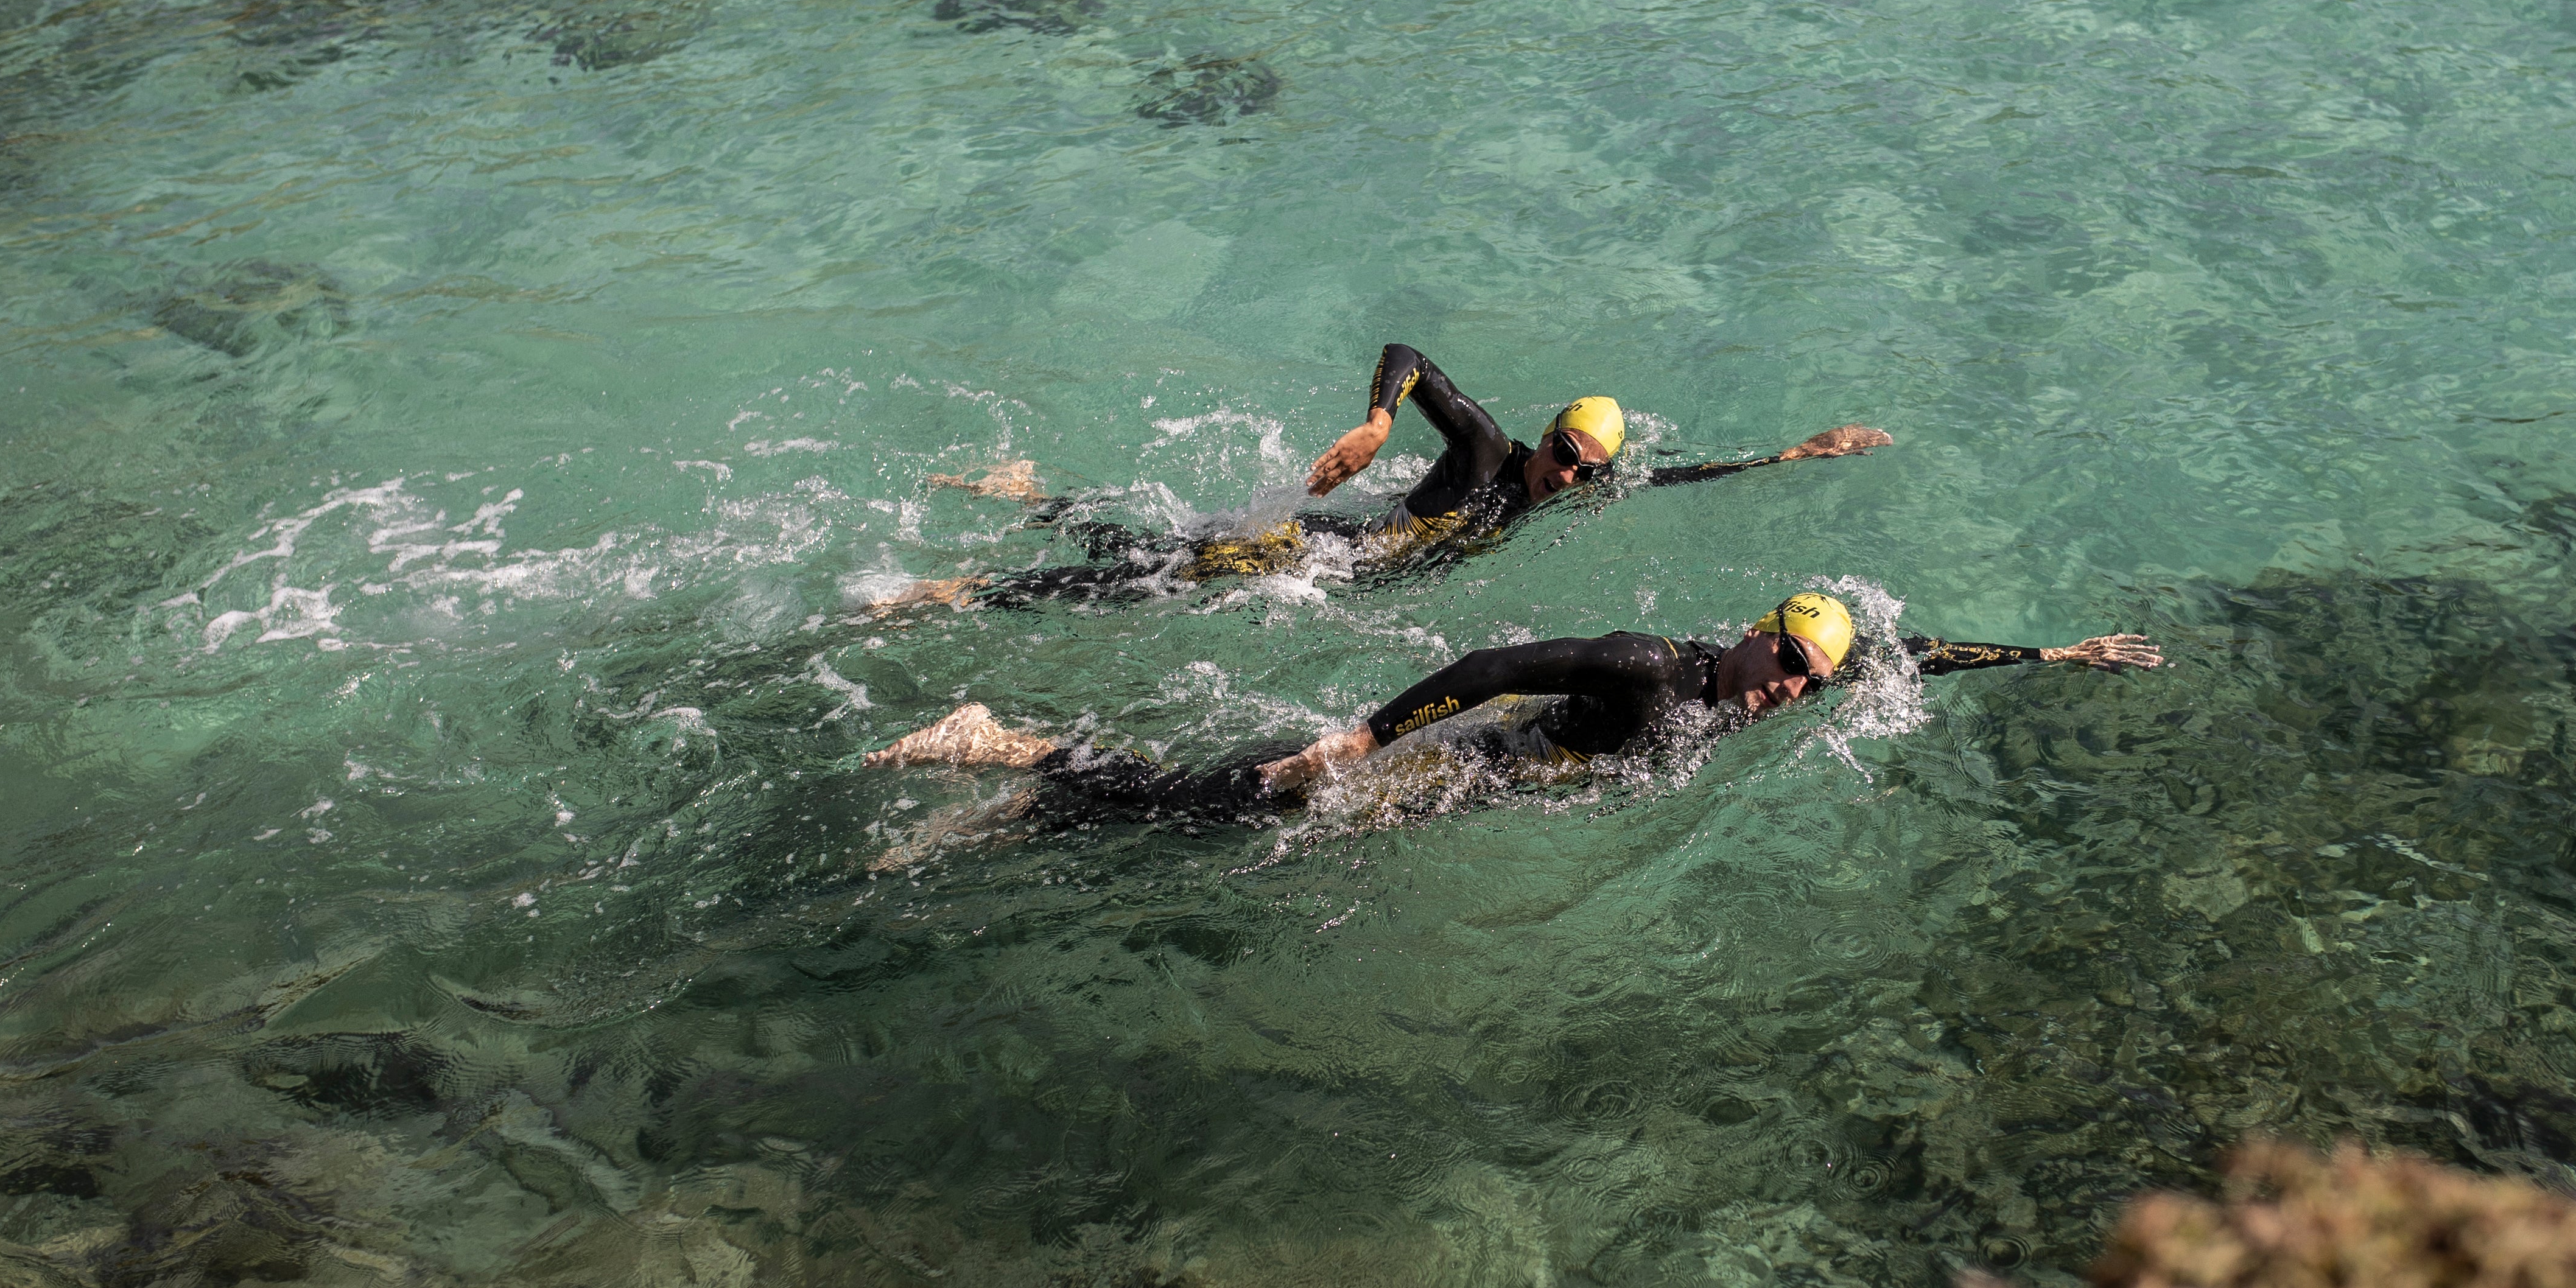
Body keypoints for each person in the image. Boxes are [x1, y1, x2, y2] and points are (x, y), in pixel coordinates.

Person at [858, 590, 2164, 839]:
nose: (1789, 694)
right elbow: (1489, 664)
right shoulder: (1656, 667)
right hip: (1449, 764)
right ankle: (1014, 751)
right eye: (1784, 668)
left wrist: (2053, 650)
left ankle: (1037, 795)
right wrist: (1369, 741)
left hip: (1481, 794)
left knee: (1231, 834)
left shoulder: (1763, 696)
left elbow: (1912, 655)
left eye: (1807, 687)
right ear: (1758, 633)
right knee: (1234, 811)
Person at [866, 343, 1892, 612]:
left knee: (1154, 564)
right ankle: (977, 582)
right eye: (1566, 457)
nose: (1571, 480)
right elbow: (1410, 349)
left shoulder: (1588, 482)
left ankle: (1033, 495)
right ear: (1544, 437)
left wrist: (1795, 454)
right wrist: (1374, 421)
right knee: (1153, 579)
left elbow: (1679, 475)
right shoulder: (1489, 449)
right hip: (1316, 551)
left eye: (1590, 474)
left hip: (1361, 583)